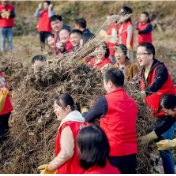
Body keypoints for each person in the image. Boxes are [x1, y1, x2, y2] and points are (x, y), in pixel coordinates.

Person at [83, 68, 138, 174]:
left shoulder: (104, 101)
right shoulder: (133, 102)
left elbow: (87, 118)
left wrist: (84, 111)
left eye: (104, 83)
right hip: (131, 153)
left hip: (113, 153)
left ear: (110, 83)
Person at [137, 43, 176, 174]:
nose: (138, 57)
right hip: (152, 115)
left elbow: (156, 85)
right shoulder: (141, 73)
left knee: (163, 147)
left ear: (151, 55)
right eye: (137, 54)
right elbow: (133, 86)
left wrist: (143, 93)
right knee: (146, 144)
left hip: (169, 114)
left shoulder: (160, 70)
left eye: (141, 53)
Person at [38, 94, 89, 174]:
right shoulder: (84, 123)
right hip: (84, 169)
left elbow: (66, 153)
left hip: (71, 169)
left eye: (57, 107)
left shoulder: (68, 126)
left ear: (68, 108)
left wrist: (51, 167)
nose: (54, 110)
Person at [0, 72, 13, 137]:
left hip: (1, 109)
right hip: (6, 107)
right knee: (5, 128)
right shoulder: (1, 75)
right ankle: (8, 144)